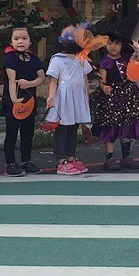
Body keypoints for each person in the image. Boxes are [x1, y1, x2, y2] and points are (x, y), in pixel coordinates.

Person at [46, 23, 107, 175]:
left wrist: (86, 95)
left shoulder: (81, 58)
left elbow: (84, 77)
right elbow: (53, 81)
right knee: (62, 129)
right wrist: (51, 97)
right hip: (64, 98)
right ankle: (61, 161)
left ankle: (71, 157)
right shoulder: (57, 59)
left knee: (73, 129)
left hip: (77, 97)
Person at [90, 28, 139, 171]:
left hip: (128, 96)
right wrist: (104, 88)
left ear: (122, 45)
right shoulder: (105, 62)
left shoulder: (127, 58)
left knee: (126, 126)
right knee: (110, 127)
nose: (113, 47)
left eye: (116, 43)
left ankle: (126, 157)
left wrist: (137, 50)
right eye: (109, 43)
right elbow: (102, 81)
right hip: (112, 98)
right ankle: (109, 158)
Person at [0, 23, 46, 176]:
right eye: (16, 38)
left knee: (28, 133)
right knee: (12, 133)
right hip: (13, 103)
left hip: (29, 102)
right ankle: (10, 163)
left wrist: (29, 84)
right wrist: (14, 99)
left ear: (30, 41)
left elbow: (41, 77)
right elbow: (11, 80)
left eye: (24, 38)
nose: (20, 41)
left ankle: (26, 161)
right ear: (11, 41)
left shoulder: (34, 59)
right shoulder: (10, 59)